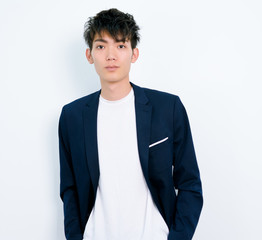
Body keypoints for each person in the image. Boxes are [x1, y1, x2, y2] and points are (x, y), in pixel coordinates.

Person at [58, 8, 203, 240]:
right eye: (101, 46)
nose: (111, 55)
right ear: (89, 55)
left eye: (121, 45)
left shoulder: (168, 108)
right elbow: (70, 188)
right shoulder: (72, 116)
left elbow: (189, 184)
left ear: (134, 53)